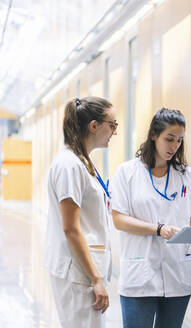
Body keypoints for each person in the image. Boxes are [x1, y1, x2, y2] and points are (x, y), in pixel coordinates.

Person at [110, 108, 191, 328]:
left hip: (178, 271)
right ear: (154, 135)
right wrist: (158, 229)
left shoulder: (187, 175)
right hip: (140, 273)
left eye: (179, 140)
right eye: (169, 139)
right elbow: (119, 219)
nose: (174, 146)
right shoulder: (127, 173)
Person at [44, 97, 117, 328]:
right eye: (112, 125)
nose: (114, 132)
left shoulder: (82, 162)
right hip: (79, 274)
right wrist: (95, 279)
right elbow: (71, 228)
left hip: (84, 270)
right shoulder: (69, 166)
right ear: (94, 125)